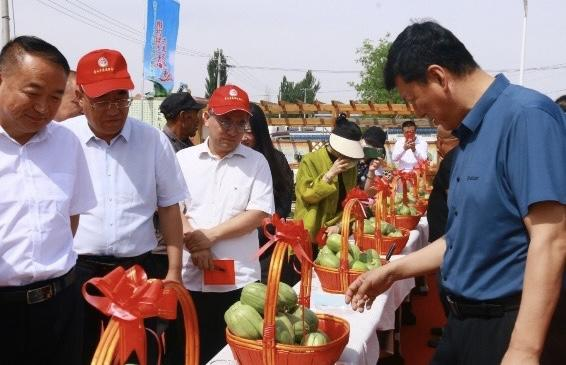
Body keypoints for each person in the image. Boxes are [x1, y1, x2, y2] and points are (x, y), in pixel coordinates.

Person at [346, 21, 566, 365]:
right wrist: (392, 271)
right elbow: (460, 240)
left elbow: (551, 236)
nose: (416, 112)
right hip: (463, 325)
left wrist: (524, 349)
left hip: (508, 328)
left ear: (438, 77)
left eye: (412, 98)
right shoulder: (469, 138)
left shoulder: (526, 117)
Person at [63, 49, 188, 364]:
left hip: (137, 274)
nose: (113, 110)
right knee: (81, 351)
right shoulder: (63, 139)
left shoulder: (152, 142)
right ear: (80, 97)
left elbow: (170, 208)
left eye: (120, 99)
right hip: (79, 273)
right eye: (102, 101)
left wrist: (174, 271)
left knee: (135, 354)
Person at [0, 36, 95, 365]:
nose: (43, 108)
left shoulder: (67, 144)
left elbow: (70, 219)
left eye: (55, 97)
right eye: (32, 93)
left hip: (60, 306)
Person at [176, 85, 274, 364]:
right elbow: (172, 209)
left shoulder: (256, 162)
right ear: (207, 117)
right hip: (190, 275)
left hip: (239, 282)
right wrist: (196, 244)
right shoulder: (184, 160)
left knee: (236, 354)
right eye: (225, 121)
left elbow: (258, 213)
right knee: (189, 351)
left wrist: (210, 236)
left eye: (240, 123)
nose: (232, 130)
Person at [149, 91, 206, 279]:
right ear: (183, 117)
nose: (199, 121)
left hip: (187, 242)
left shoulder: (189, 148)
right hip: (163, 247)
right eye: (196, 116)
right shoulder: (160, 147)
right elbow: (160, 201)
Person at [242, 102, 297, 285]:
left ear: (260, 131)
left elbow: (283, 206)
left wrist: (258, 231)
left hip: (265, 247)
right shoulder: (231, 161)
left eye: (249, 131)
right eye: (239, 128)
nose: (243, 137)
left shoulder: (277, 161)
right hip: (232, 246)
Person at [294, 113, 364, 242]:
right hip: (310, 231)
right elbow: (307, 196)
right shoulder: (310, 160)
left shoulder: (351, 166)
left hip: (337, 231)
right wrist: (330, 174)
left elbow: (351, 200)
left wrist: (340, 226)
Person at [426, 124, 459, 348]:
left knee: (448, 287)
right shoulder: (453, 158)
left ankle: (454, 336)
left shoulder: (453, 160)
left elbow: (455, 201)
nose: (437, 144)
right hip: (446, 236)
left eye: (439, 139)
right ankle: (451, 330)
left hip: (448, 238)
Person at [358, 126, 388, 190]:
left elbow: (388, 178)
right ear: (362, 140)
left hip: (366, 197)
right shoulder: (352, 154)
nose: (370, 147)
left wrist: (383, 167)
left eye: (375, 145)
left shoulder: (376, 162)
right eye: (368, 142)